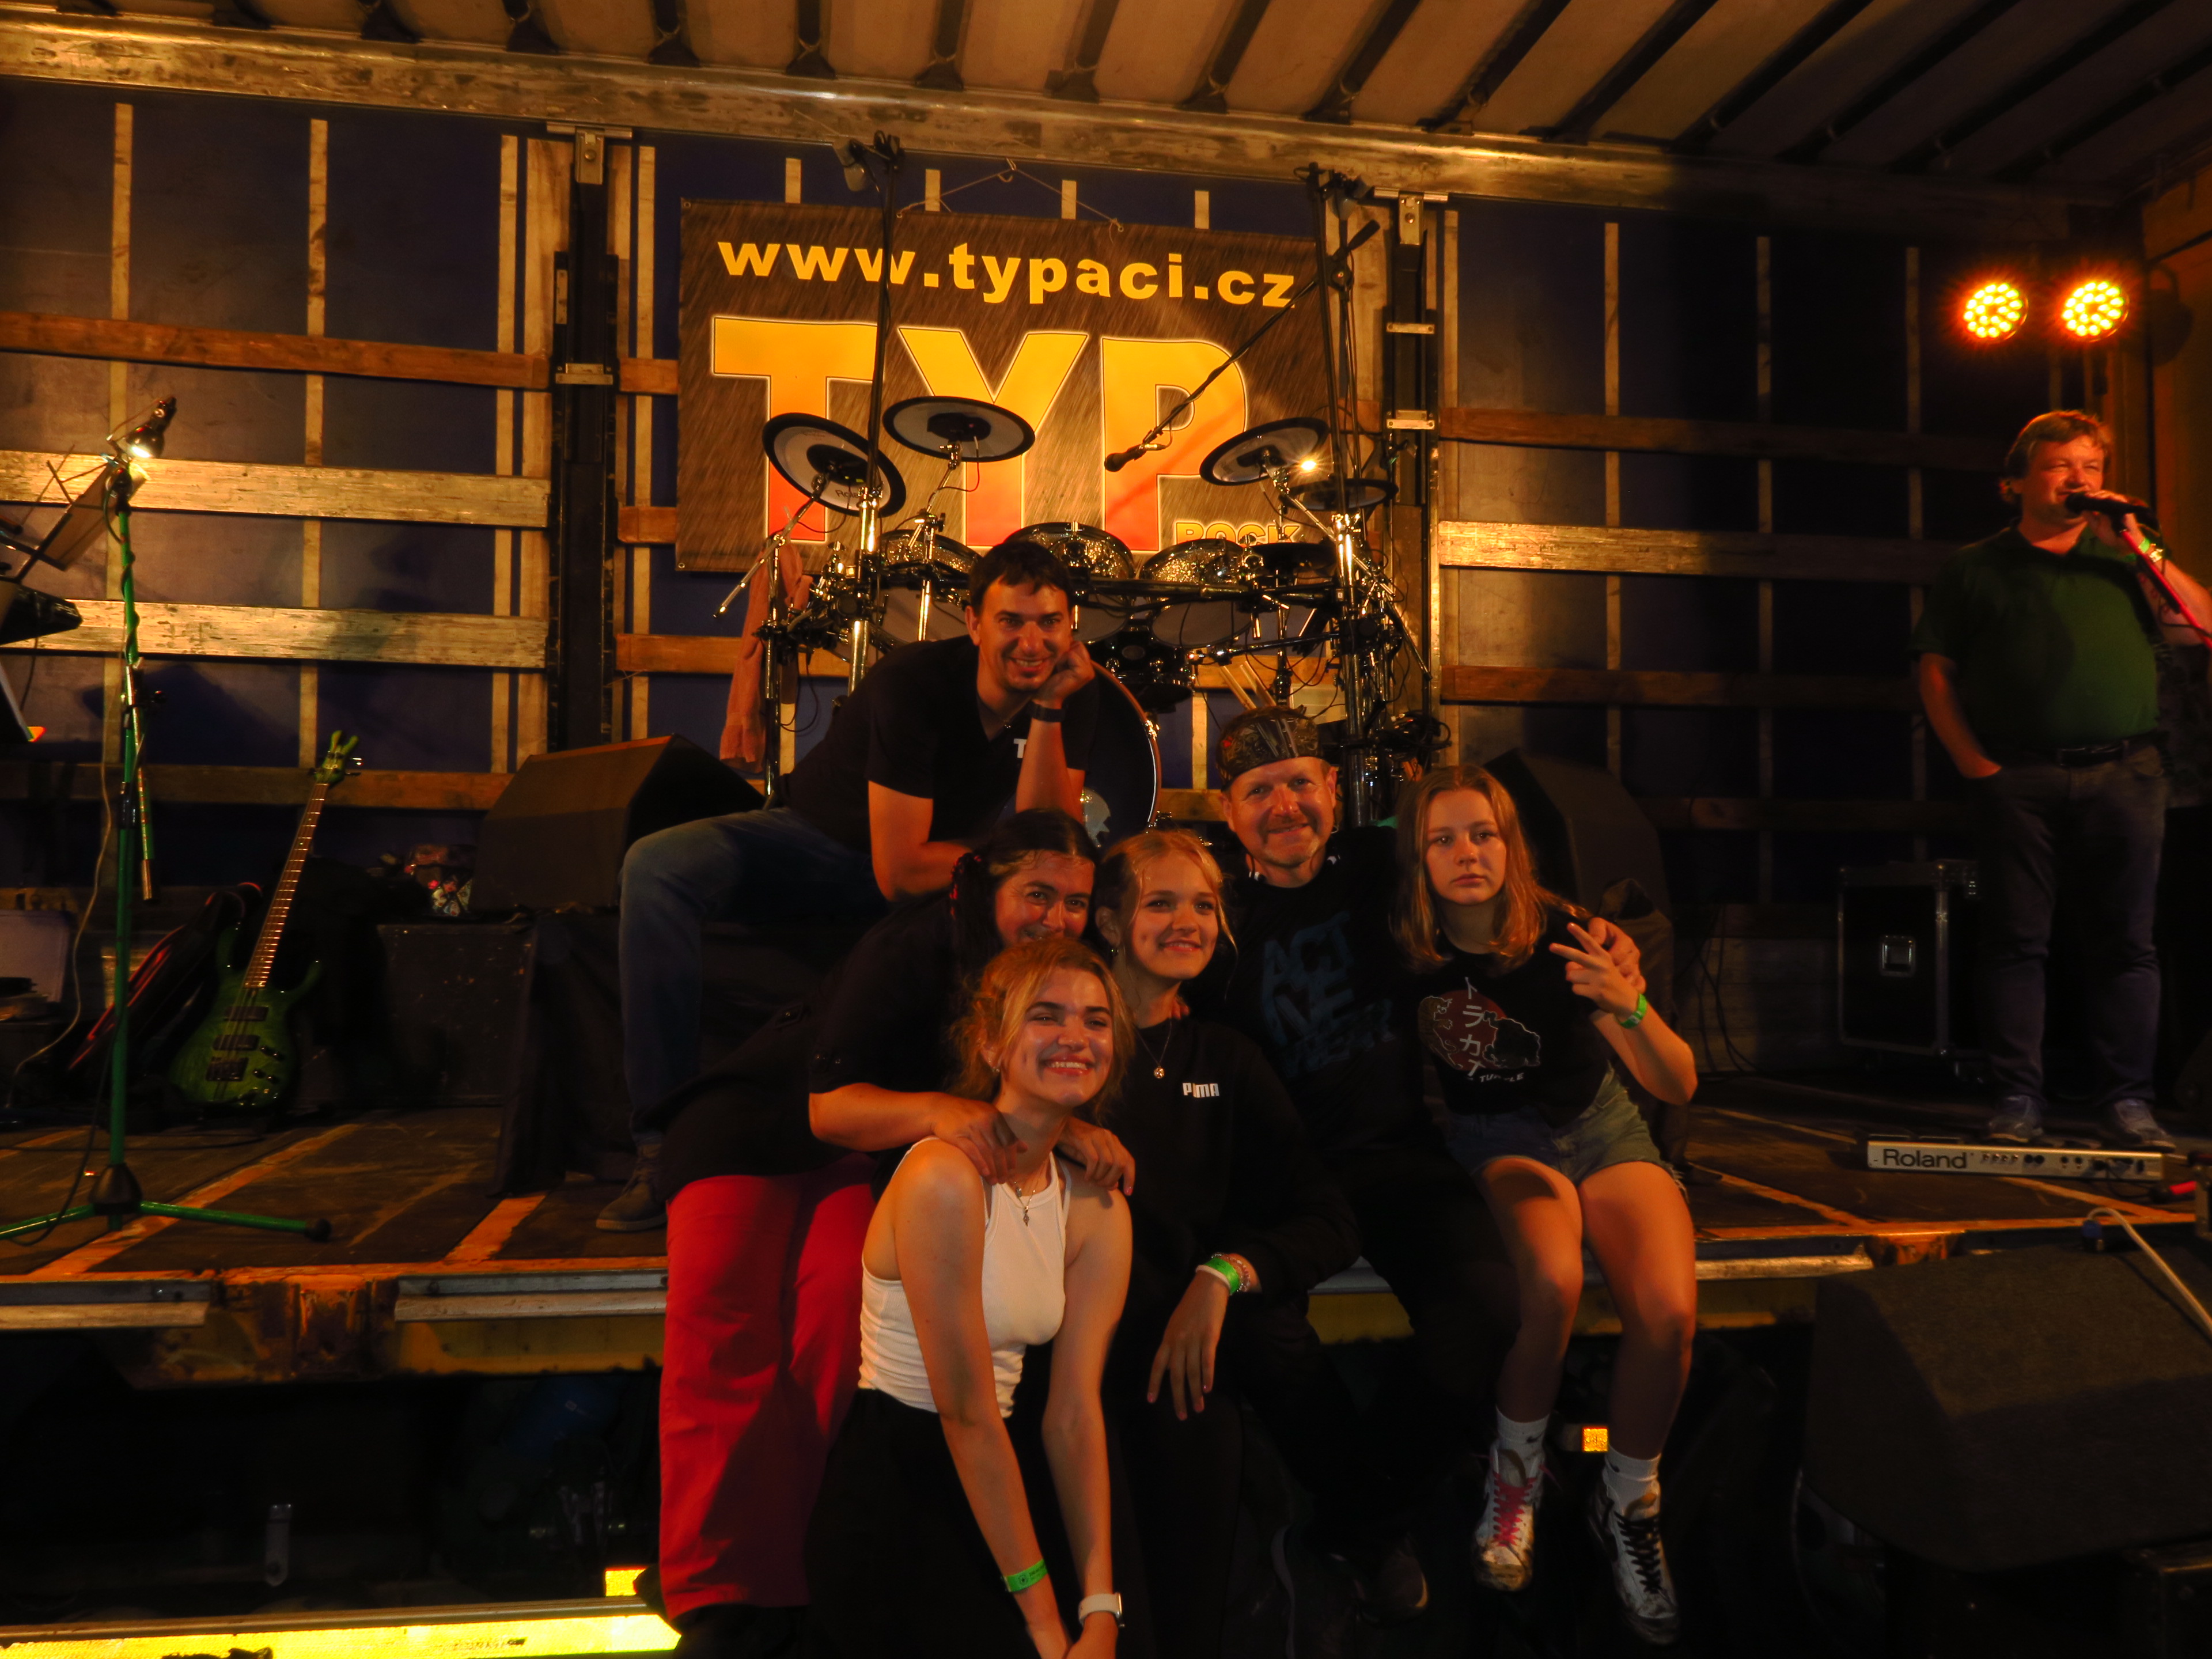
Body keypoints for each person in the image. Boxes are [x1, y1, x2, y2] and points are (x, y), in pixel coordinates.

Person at [650, 812, 1131, 1658]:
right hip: (761, 1129)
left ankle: (795, 1569)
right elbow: (826, 1106)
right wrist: (945, 1111)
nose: (1058, 917)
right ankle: (715, 1591)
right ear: (985, 885)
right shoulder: (912, 944)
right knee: (722, 1330)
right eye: (1038, 894)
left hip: (873, 1156)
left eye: (1076, 902)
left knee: (836, 1323)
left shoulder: (1051, 983)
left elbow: (1037, 1083)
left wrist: (1068, 1127)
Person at [604, 538, 1105, 1229]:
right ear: (973, 622)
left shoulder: (1073, 688)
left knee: (1046, 900)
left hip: (950, 864)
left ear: (1071, 627)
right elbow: (898, 872)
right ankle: (657, 1145)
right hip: (821, 841)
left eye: (1050, 623)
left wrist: (1049, 711)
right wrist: (1007, 866)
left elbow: (1048, 841)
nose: (1032, 642)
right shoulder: (915, 682)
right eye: (1011, 622)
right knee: (656, 866)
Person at [1394, 764, 1698, 1647]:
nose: (1467, 853)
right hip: (1502, 1141)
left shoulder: (1565, 936)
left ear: (1512, 845)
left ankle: (1630, 1503)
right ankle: (1515, 1480)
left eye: (1483, 834)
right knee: (1552, 1286)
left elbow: (1677, 1081)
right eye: (1443, 838)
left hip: (1600, 1128)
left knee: (1669, 1313)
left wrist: (1629, 1004)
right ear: (1416, 857)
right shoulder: (1407, 947)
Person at [804, 935, 1134, 1659]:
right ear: (991, 1044)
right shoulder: (942, 1178)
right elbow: (965, 1414)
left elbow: (1074, 1414)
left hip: (998, 1480)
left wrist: (1100, 1606)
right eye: (1046, 1016)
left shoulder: (1097, 1206)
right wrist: (1045, 1625)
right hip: (900, 1495)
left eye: (1096, 1020)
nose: (1075, 1036)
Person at [1088, 830, 1360, 1659]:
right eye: (1162, 902)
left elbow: (1327, 1219)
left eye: (1204, 905)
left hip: (1178, 1379)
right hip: (1063, 1381)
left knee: (1183, 1619)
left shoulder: (1227, 1057)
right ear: (1110, 923)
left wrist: (1224, 1276)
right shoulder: (1064, 1047)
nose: (1188, 921)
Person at [1913, 410, 2212, 1150]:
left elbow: (2202, 624)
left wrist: (2141, 545)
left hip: (2127, 772)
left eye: (2092, 467)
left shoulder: (2126, 557)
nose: (2080, 480)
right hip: (2019, 774)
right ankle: (2019, 1095)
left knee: (2128, 943)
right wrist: (1974, 762)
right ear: (2016, 482)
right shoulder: (1977, 567)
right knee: (2017, 940)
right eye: (2061, 466)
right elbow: (1936, 671)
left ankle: (2129, 1101)